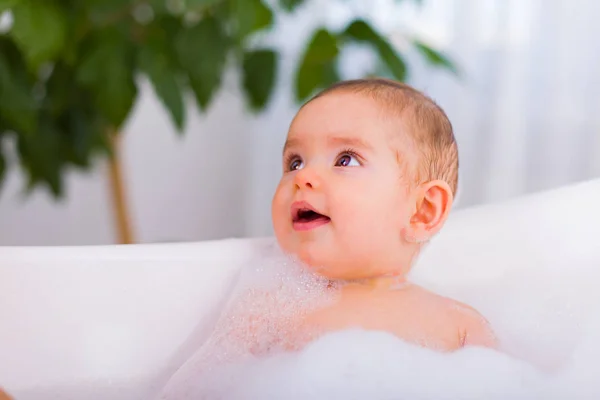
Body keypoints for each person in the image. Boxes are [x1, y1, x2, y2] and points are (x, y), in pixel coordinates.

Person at [270, 78, 497, 351]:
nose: (303, 176)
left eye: (345, 159)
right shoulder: (268, 311)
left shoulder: (459, 325)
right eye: (295, 162)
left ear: (422, 212)